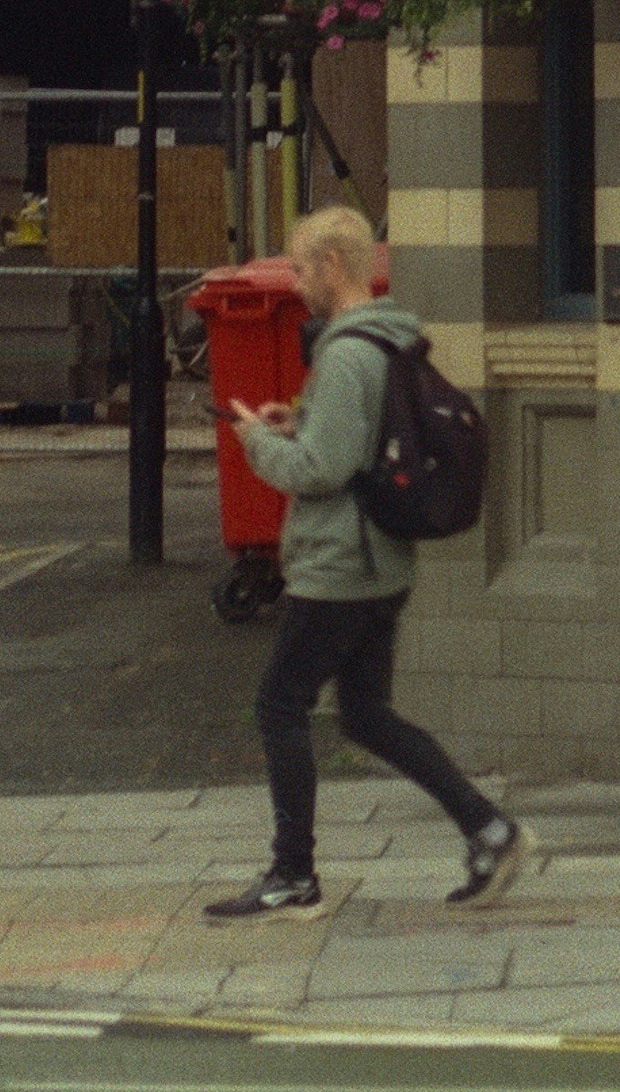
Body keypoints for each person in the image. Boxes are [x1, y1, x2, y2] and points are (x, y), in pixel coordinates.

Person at [203, 205, 526, 922]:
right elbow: (351, 443)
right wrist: (303, 421)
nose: (295, 282)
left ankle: (293, 875)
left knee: (279, 704)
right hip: (377, 561)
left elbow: (321, 469)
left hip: (339, 565)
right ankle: (488, 830)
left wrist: (257, 440)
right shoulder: (383, 345)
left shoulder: (348, 353)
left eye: (299, 266)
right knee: (367, 715)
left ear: (333, 266)